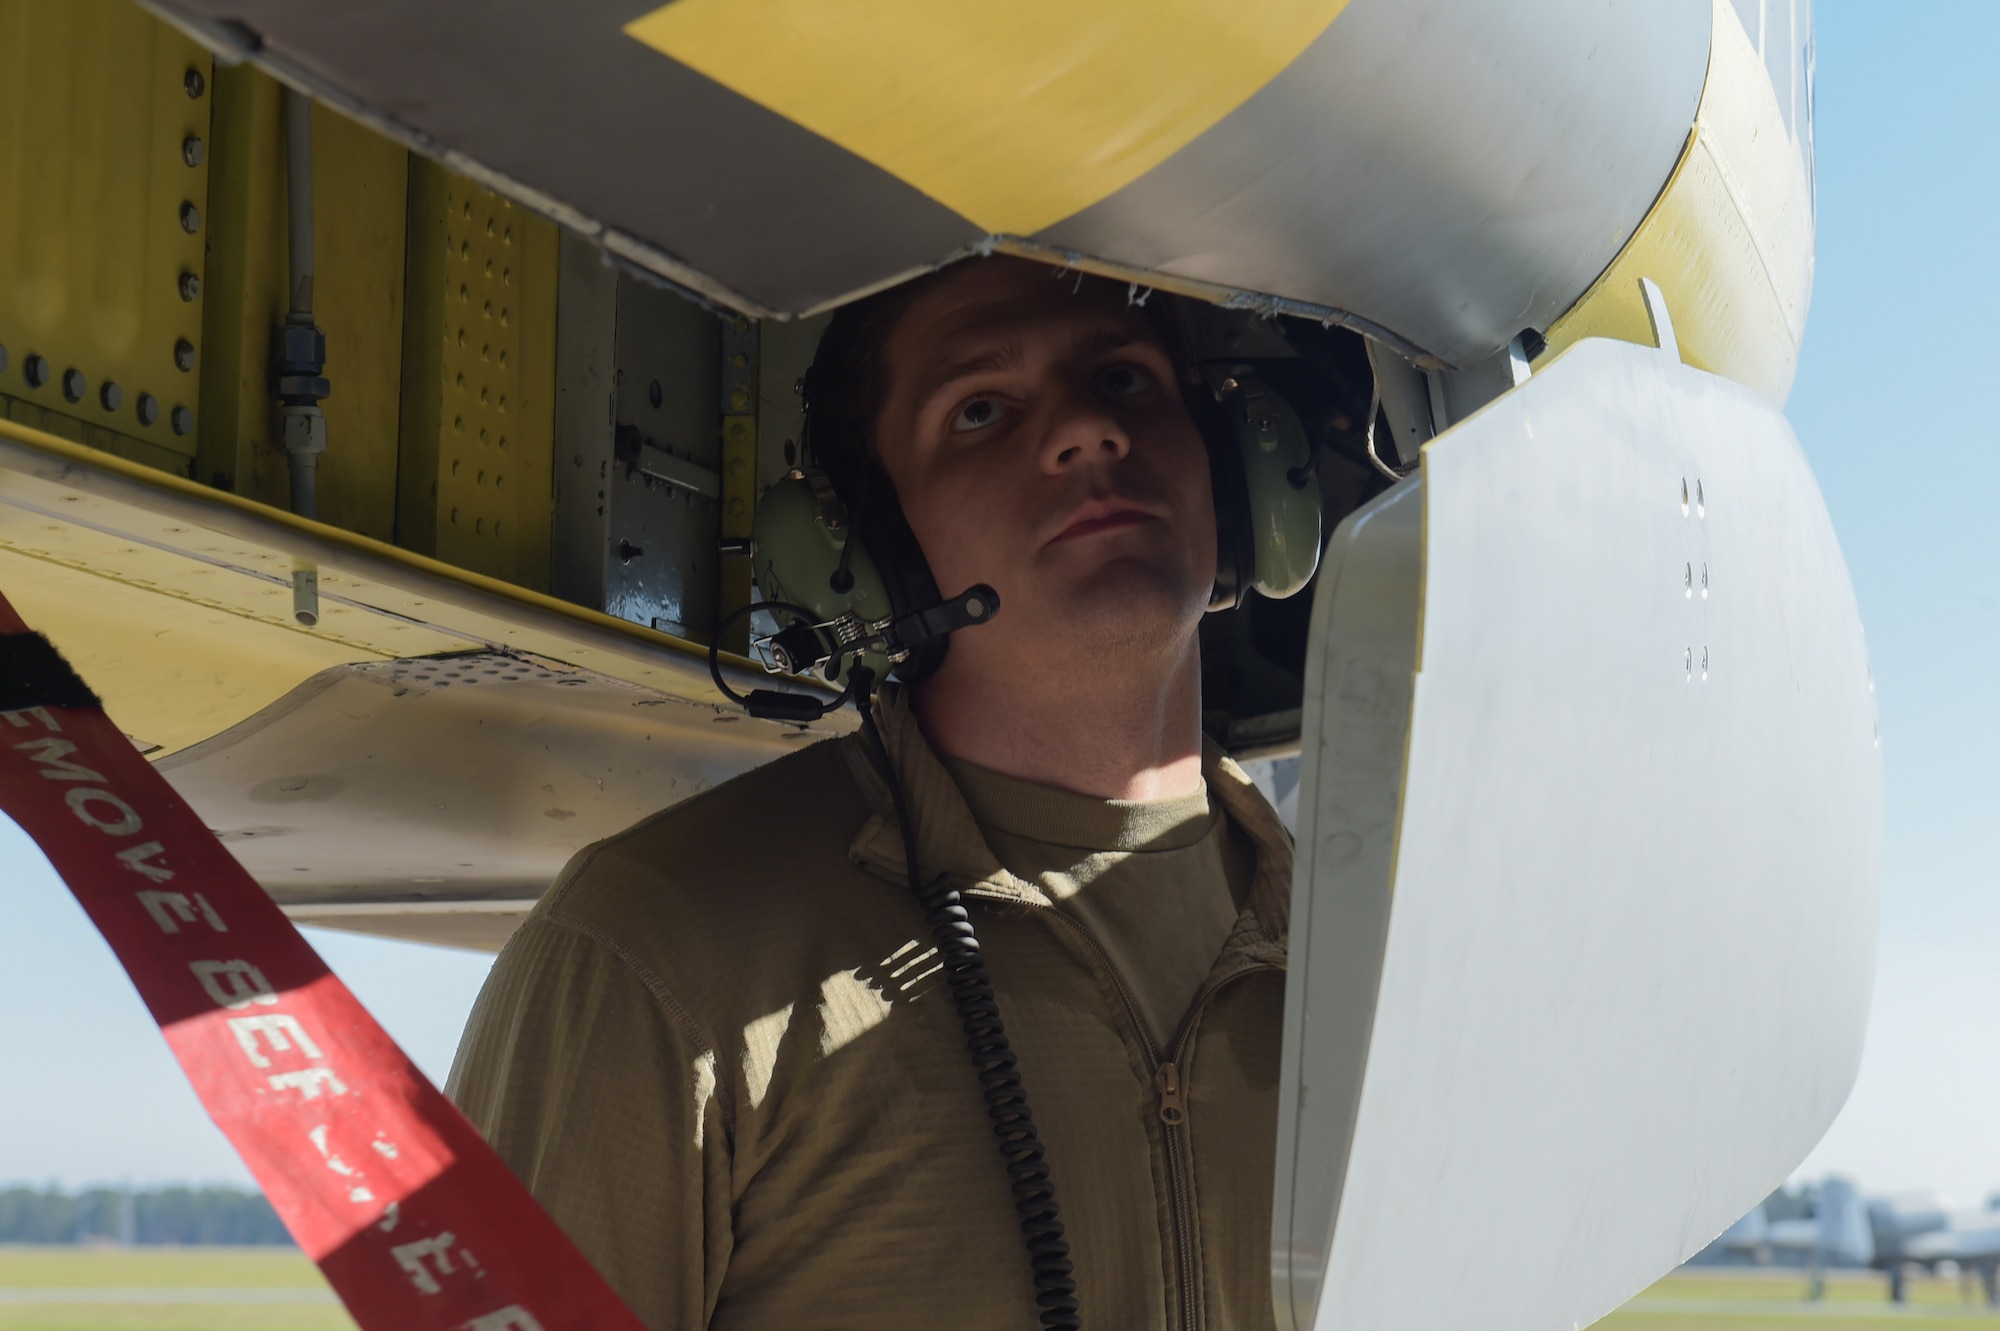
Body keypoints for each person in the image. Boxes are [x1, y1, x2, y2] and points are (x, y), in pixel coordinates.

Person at [448, 255, 1293, 1330]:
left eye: (1122, 379)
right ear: (865, 558)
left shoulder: (1368, 960)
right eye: (980, 410)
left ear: (1235, 478)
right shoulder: (658, 953)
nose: (1086, 431)